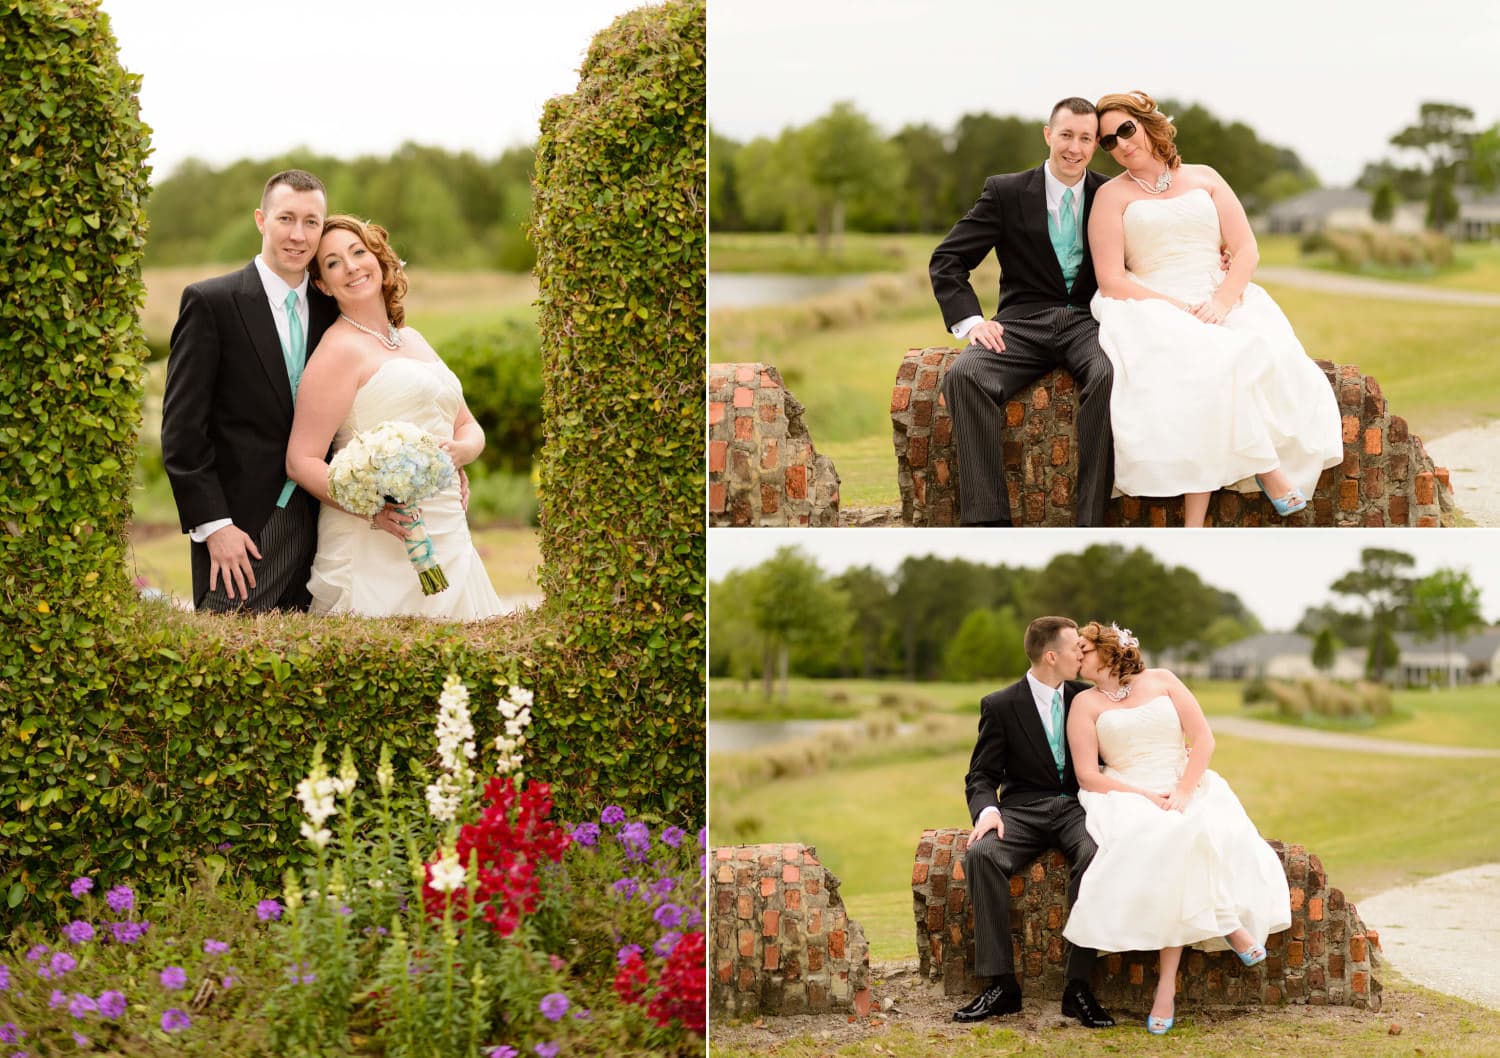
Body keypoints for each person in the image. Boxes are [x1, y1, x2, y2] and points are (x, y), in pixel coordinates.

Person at [1088, 90, 1343, 527]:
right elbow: (1112, 278)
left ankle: (1194, 523)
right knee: (1209, 361)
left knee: (1255, 355)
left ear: (1148, 123)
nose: (1121, 144)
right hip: (1150, 300)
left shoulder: (1205, 177)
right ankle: (1268, 470)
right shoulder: (1111, 197)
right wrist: (1177, 308)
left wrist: (1223, 299)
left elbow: (1245, 248)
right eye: (1108, 141)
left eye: (1125, 130)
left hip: (1218, 292)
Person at [1064, 621, 1292, 1035]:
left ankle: (1166, 985)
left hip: (1185, 783)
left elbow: (1203, 739)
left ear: (1109, 649)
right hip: (1125, 792)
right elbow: (1086, 775)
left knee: (1192, 830)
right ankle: (1227, 923)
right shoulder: (1084, 704)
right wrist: (1144, 796)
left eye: (1083, 648)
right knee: (1174, 836)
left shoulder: (1163, 680)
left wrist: (1184, 791)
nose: (1077, 656)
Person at [284, 216, 504, 620]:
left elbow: (467, 425)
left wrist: (460, 454)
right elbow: (301, 461)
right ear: (321, 285)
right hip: (373, 539)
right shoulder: (337, 352)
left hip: (447, 527)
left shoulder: (414, 340)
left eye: (357, 252)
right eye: (333, 263)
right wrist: (372, 509)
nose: (350, 267)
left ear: (379, 260)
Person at [929, 97, 1114, 527]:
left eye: (1086, 138)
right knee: (966, 376)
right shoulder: (1006, 191)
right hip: (1021, 324)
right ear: (1049, 135)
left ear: (1095, 145)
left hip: (1090, 322)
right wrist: (973, 322)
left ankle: (1090, 523)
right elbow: (948, 259)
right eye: (1066, 135)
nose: (1075, 147)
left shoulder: (1110, 193)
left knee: (1110, 377)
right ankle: (987, 521)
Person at [162, 169, 339, 612]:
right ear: (261, 220)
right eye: (286, 219)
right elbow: (183, 431)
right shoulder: (211, 303)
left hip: (327, 524)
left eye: (312, 222)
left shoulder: (334, 308)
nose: (298, 235)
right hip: (242, 533)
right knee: (224, 659)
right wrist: (214, 525)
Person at [955, 616, 1115, 1028]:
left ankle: (1078, 987)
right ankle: (1001, 986)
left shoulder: (1086, 696)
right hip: (1022, 811)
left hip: (1078, 808)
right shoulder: (1000, 704)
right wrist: (987, 811)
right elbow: (981, 775)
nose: (1081, 654)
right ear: (1050, 656)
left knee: (1097, 854)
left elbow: (1118, 748)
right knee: (982, 855)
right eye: (1073, 649)